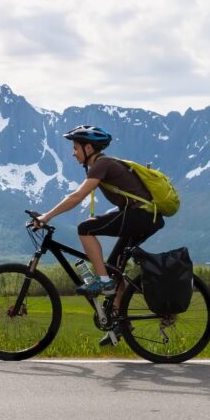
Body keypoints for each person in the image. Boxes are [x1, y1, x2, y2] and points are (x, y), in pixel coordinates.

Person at [35, 125, 164, 339]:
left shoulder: (101, 164)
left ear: (88, 147)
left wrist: (46, 216)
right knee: (115, 267)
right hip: (145, 217)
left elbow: (76, 197)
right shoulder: (104, 164)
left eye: (75, 147)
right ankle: (120, 322)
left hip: (140, 217)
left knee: (85, 228)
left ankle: (103, 282)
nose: (73, 152)